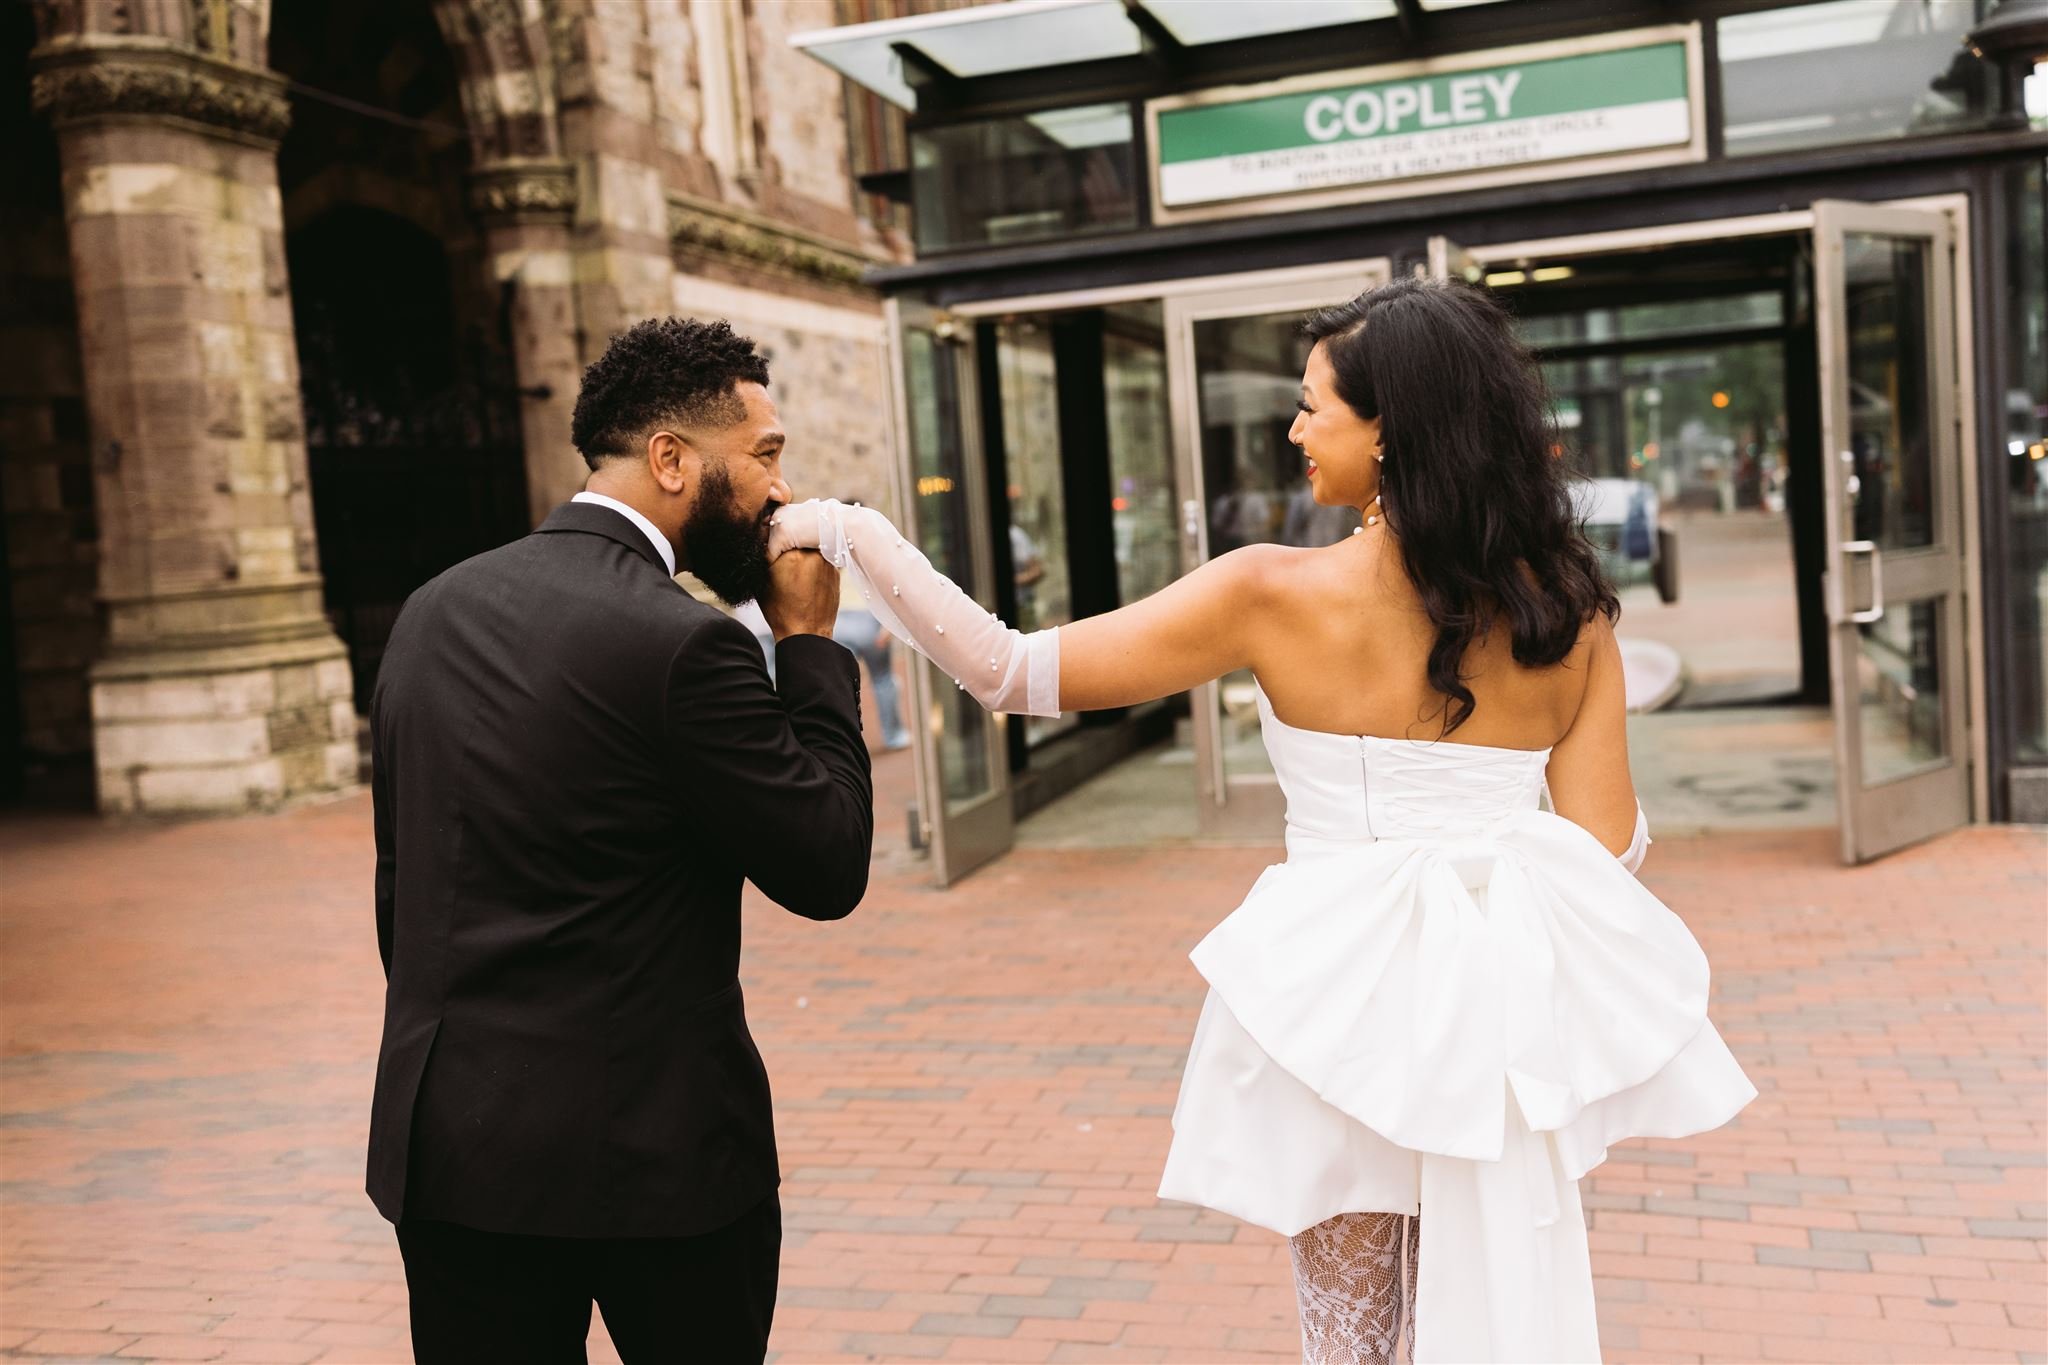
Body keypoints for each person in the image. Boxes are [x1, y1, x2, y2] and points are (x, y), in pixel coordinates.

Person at [770, 278, 1755, 1364]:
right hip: (1496, 1021)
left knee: (1351, 1343)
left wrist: (853, 534)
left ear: (1388, 434)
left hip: (1338, 1011)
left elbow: (1008, 670)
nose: (1291, 429)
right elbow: (1606, 853)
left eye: (1311, 406)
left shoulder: (1270, 593)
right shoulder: (1567, 616)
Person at [367, 318, 874, 1364]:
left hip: (453, 1154)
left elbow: (401, 885)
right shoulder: (686, 643)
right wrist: (811, 651)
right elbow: (825, 865)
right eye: (766, 455)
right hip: (658, 1168)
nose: (782, 491)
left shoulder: (429, 611)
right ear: (672, 459)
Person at [832, 515, 911, 750]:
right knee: (883, 679)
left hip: (840, 622)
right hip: (868, 621)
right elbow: (889, 594)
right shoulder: (871, 557)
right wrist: (888, 629)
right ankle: (893, 735)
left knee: (839, 685)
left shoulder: (835, 558)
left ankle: (844, 743)